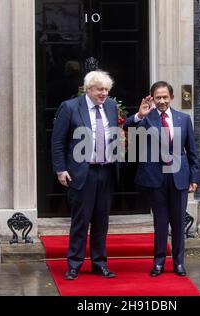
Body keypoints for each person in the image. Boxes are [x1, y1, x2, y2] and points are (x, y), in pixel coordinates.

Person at [123, 81, 199, 277]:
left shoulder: (183, 118)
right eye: (158, 97)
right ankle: (158, 263)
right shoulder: (147, 118)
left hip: (178, 177)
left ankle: (179, 262)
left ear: (171, 97)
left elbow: (192, 151)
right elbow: (128, 126)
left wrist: (194, 177)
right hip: (155, 177)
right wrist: (140, 114)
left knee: (179, 222)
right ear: (153, 99)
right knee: (161, 222)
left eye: (165, 97)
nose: (162, 101)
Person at [52, 70, 118, 280]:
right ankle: (74, 264)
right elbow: (58, 141)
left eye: (107, 89)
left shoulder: (111, 106)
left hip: (106, 171)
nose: (104, 93)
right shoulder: (70, 107)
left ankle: (99, 263)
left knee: (101, 221)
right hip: (83, 172)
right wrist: (60, 169)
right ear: (88, 89)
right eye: (100, 89)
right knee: (80, 220)